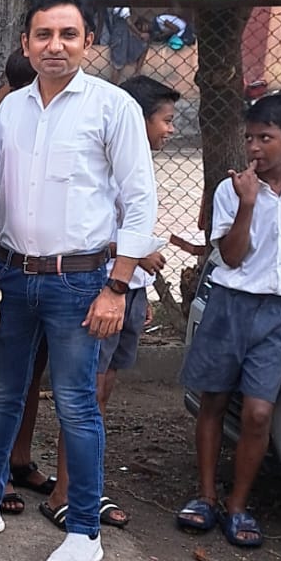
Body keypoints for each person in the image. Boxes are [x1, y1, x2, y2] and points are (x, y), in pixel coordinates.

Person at [0, 0, 158, 561]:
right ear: (26, 44)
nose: (55, 46)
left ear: (88, 42)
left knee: (78, 405)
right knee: (2, 396)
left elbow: (140, 203)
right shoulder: (12, 109)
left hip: (80, 282)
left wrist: (117, 287)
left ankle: (84, 529)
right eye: (43, 35)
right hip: (12, 275)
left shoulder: (113, 107)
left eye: (68, 35)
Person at [178, 93, 281, 549]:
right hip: (231, 305)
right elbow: (231, 256)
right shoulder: (232, 190)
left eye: (265, 138)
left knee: (259, 412)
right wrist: (247, 204)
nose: (254, 147)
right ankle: (206, 496)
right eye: (249, 138)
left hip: (278, 312)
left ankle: (238, 505)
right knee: (213, 400)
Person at [33, 74, 179, 531]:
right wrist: (132, 255)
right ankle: (65, 492)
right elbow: (87, 231)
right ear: (137, 118)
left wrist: (138, 288)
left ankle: (85, 486)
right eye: (165, 120)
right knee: (85, 394)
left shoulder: (138, 165)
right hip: (101, 288)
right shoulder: (103, 163)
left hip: (128, 290)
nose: (170, 129)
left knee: (102, 394)